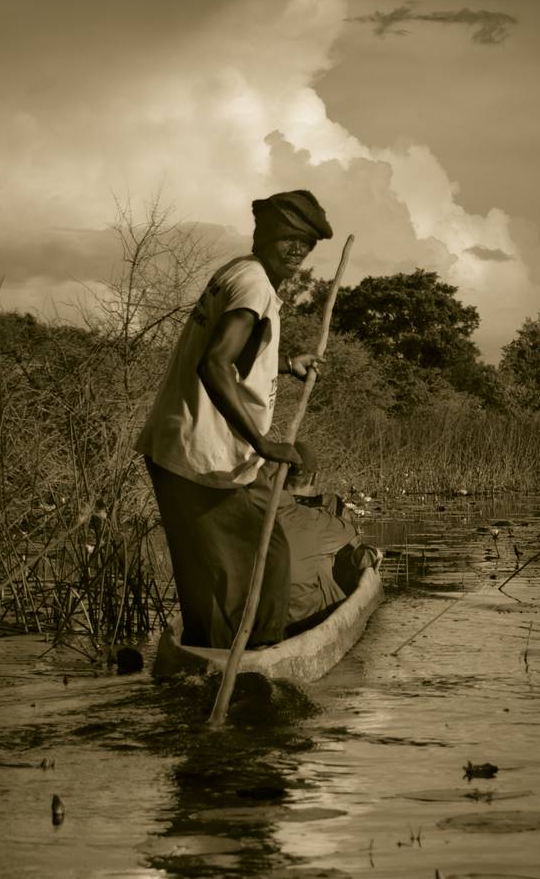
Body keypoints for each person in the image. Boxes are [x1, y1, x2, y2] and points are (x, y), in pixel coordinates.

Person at [136, 190, 332, 649]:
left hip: (179, 447)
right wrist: (263, 444)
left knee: (211, 573)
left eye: (307, 243)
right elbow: (214, 364)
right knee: (268, 560)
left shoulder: (237, 272)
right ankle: (257, 665)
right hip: (206, 455)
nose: (298, 250)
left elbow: (237, 356)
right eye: (290, 238)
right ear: (264, 234)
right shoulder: (254, 284)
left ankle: (208, 661)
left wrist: (284, 364)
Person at [276, 442, 381, 635]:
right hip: (301, 619)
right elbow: (351, 536)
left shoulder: (249, 509)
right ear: (314, 477)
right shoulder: (316, 519)